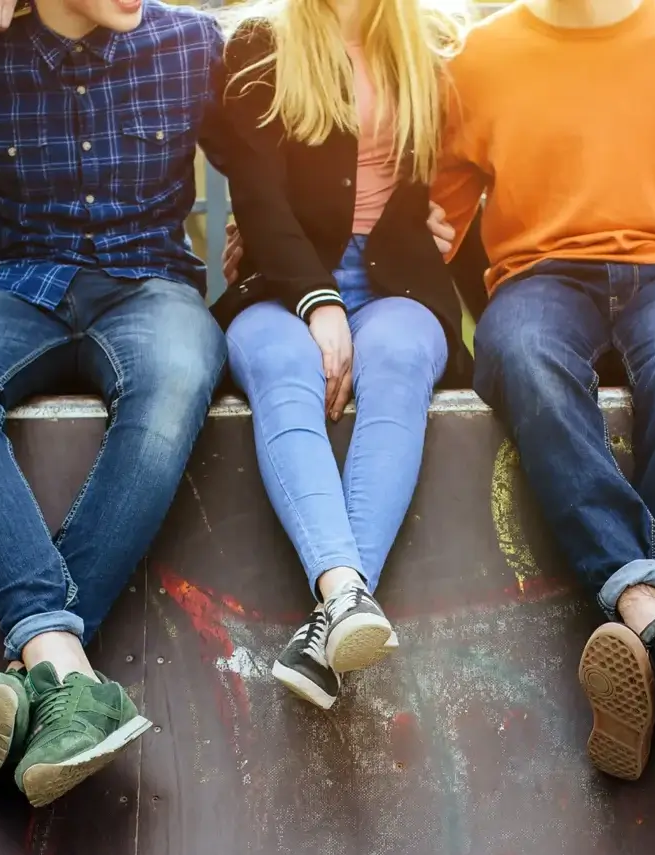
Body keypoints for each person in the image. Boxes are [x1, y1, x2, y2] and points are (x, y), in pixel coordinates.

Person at [427, 0, 655, 781]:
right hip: (541, 278)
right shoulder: (474, 58)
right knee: (522, 354)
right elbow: (429, 212)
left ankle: (646, 658)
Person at [0, 0, 227, 807]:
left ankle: (35, 670)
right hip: (16, 284)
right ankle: (68, 670)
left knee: (174, 381)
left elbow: (303, 118)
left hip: (151, 286)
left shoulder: (193, 42)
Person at [211, 0, 469, 711]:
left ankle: (335, 619)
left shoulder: (436, 42)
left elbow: (486, 156)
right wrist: (318, 303)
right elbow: (257, 200)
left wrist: (449, 219)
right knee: (283, 366)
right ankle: (344, 597)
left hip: (397, 284)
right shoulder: (260, 44)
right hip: (284, 277)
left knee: (399, 361)